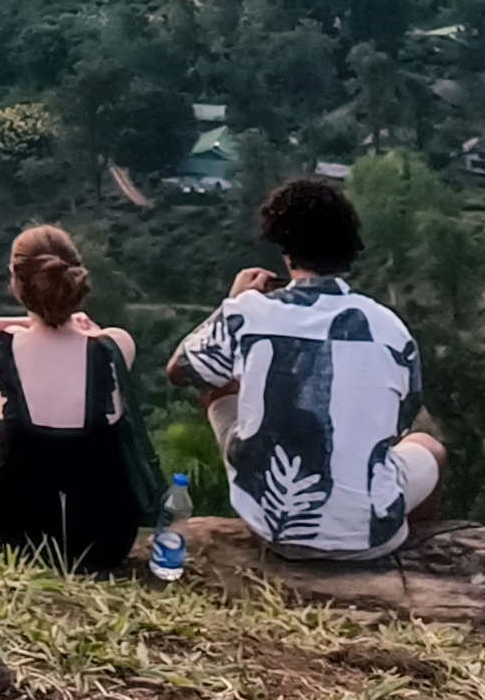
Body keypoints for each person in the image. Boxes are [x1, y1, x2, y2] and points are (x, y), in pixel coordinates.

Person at [167, 173, 445, 560]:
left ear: (284, 246)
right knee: (429, 447)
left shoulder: (247, 312)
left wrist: (231, 304)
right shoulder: (389, 328)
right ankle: (414, 554)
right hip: (368, 540)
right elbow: (401, 423)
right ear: (348, 248)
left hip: (270, 527)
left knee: (213, 378)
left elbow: (180, 371)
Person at [0, 223, 149, 572]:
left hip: (10, 536)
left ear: (17, 284)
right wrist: (74, 321)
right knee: (8, 388)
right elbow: (82, 334)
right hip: (103, 540)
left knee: (0, 392)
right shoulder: (116, 346)